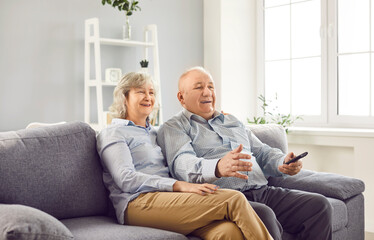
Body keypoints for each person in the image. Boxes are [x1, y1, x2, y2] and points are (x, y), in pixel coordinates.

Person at [157, 67, 333, 240]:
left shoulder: (232, 121)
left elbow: (262, 152)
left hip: (262, 191)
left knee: (319, 206)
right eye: (198, 87)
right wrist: (218, 167)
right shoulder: (174, 127)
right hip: (226, 199)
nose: (207, 92)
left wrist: (282, 162)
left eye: (211, 87)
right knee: (264, 215)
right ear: (181, 97)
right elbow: (182, 163)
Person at [96, 72, 273, 240]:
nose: (148, 97)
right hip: (137, 203)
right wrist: (178, 185)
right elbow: (125, 178)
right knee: (233, 199)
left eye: (151, 92)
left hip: (170, 200)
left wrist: (218, 119)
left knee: (227, 232)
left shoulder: (155, 133)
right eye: (140, 92)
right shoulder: (113, 133)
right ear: (124, 98)